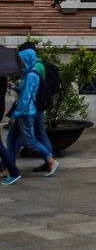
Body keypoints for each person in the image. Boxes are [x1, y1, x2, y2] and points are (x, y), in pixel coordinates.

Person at [2, 47, 59, 184]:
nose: (19, 63)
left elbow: (25, 99)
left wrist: (14, 115)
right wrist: (14, 87)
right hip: (25, 113)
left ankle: (50, 160)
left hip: (26, 114)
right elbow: (24, 92)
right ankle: (9, 167)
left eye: (21, 60)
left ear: (27, 59)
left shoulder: (30, 75)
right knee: (10, 140)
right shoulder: (29, 73)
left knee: (30, 141)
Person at [20, 41, 54, 173]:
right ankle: (49, 160)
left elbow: (30, 89)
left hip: (33, 107)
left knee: (33, 135)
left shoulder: (35, 67)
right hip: (36, 105)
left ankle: (49, 160)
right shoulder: (36, 65)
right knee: (39, 133)